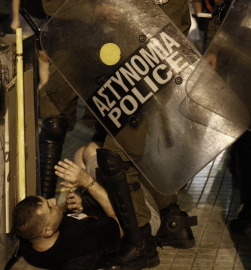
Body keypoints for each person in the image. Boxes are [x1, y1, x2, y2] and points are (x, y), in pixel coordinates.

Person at [38, 0, 198, 261]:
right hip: (84, 40)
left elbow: (175, 18)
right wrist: (96, 11)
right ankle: (43, 212)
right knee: (66, 125)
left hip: (137, 49)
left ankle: (143, 236)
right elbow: (53, 3)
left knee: (126, 143)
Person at [13, 158, 123, 270]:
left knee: (81, 154)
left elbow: (40, 220)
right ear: (47, 231)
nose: (53, 200)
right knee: (94, 155)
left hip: (89, 209)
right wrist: (88, 182)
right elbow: (121, 223)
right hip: (114, 208)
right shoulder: (83, 244)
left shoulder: (31, 241)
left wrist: (66, 207)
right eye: (50, 207)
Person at [11, 0, 50, 87]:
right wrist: (15, 18)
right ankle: (25, 88)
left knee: (44, 55)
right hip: (27, 15)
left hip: (46, 17)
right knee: (25, 57)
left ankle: (43, 88)